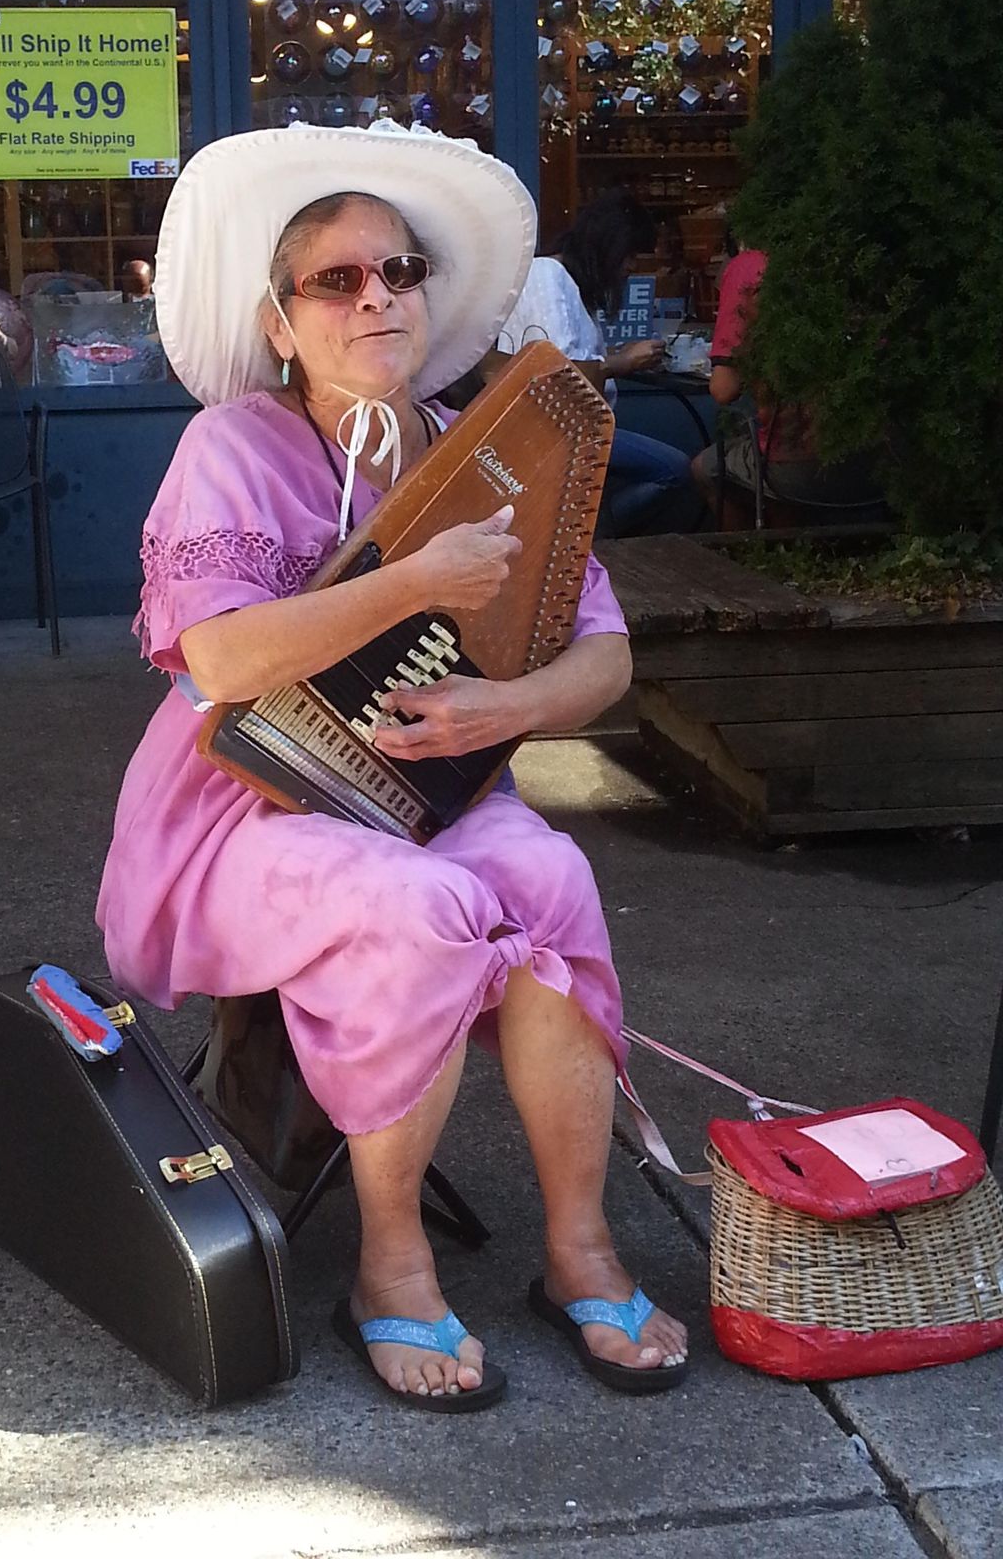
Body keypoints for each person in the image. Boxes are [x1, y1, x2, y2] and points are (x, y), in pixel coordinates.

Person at [96, 120, 688, 1413]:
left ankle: (580, 1247)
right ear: (282, 322)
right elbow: (222, 656)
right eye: (337, 278)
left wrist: (506, 706)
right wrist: (412, 581)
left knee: (553, 882)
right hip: (241, 810)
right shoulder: (233, 448)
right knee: (424, 910)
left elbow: (606, 655)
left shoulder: (489, 452)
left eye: (400, 270)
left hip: (431, 792)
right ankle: (391, 1264)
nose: (377, 295)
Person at [496, 189, 708, 539]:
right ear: (610, 245)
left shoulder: (573, 284)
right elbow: (559, 374)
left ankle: (591, 527)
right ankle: (594, 530)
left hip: (582, 430)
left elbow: (574, 353)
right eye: (630, 255)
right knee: (673, 469)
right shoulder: (548, 276)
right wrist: (620, 362)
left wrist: (619, 354)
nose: (631, 267)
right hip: (557, 435)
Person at [691, 247, 884, 528]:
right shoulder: (862, 254)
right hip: (886, 464)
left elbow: (723, 389)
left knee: (706, 467)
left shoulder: (751, 268)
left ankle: (749, 552)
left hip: (799, 466)